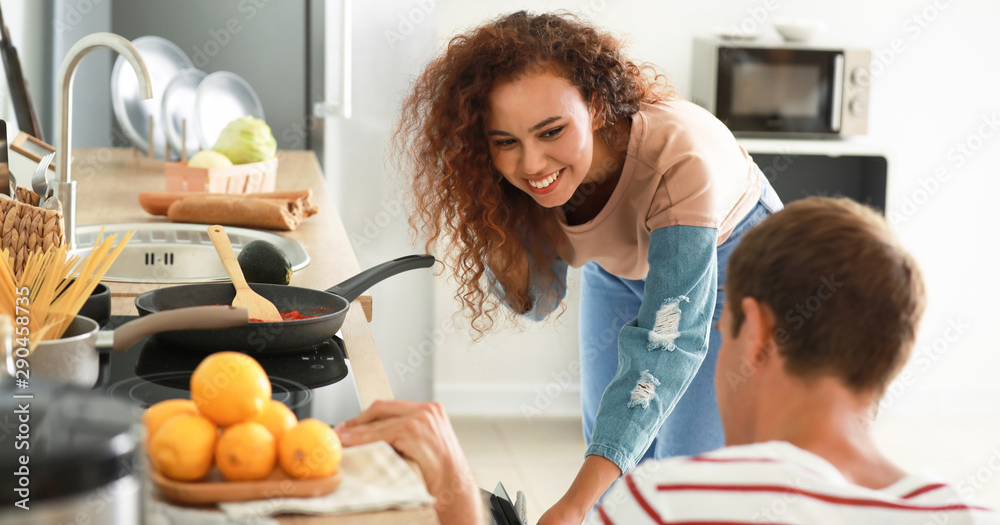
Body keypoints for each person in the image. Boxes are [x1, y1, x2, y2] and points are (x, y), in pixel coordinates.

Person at [336, 197, 1000, 524]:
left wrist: (453, 481)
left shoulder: (667, 501)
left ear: (756, 330)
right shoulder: (957, 513)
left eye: (721, 328)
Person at [391, 11, 783, 520]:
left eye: (551, 131)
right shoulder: (520, 179)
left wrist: (574, 505)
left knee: (685, 477)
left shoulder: (679, 160)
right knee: (615, 457)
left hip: (734, 261)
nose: (532, 163)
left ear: (596, 106)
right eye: (505, 141)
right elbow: (537, 302)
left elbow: (667, 347)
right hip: (621, 266)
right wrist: (501, 219)